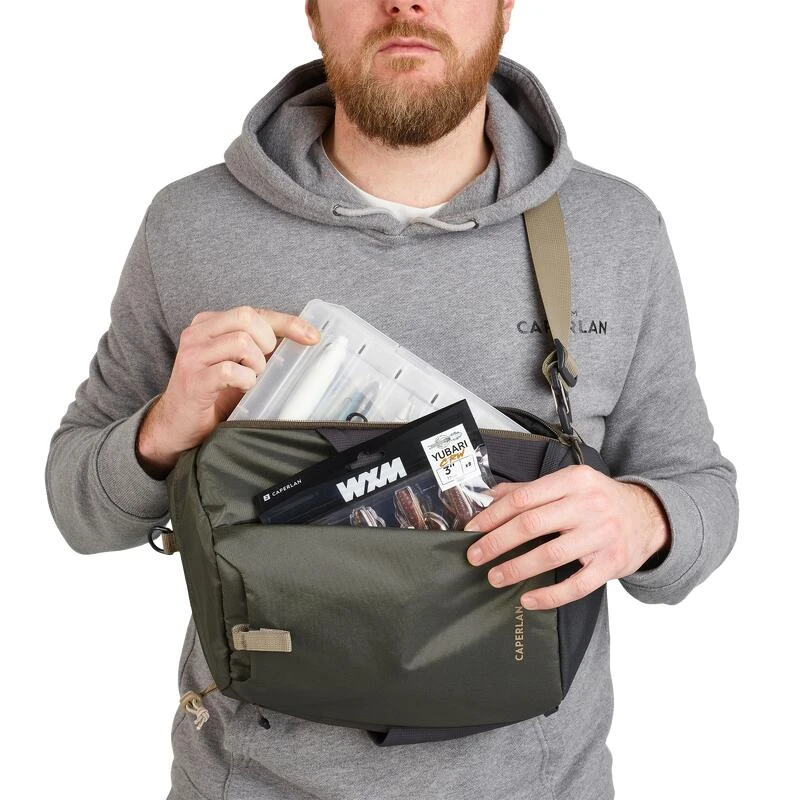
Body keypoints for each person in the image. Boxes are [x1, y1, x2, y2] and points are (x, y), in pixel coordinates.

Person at [44, 1, 738, 797]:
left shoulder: (615, 229)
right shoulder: (190, 225)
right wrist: (158, 434)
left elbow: (702, 489)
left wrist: (643, 518)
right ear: (313, 13)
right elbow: (77, 511)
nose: (406, 1)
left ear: (505, 8)